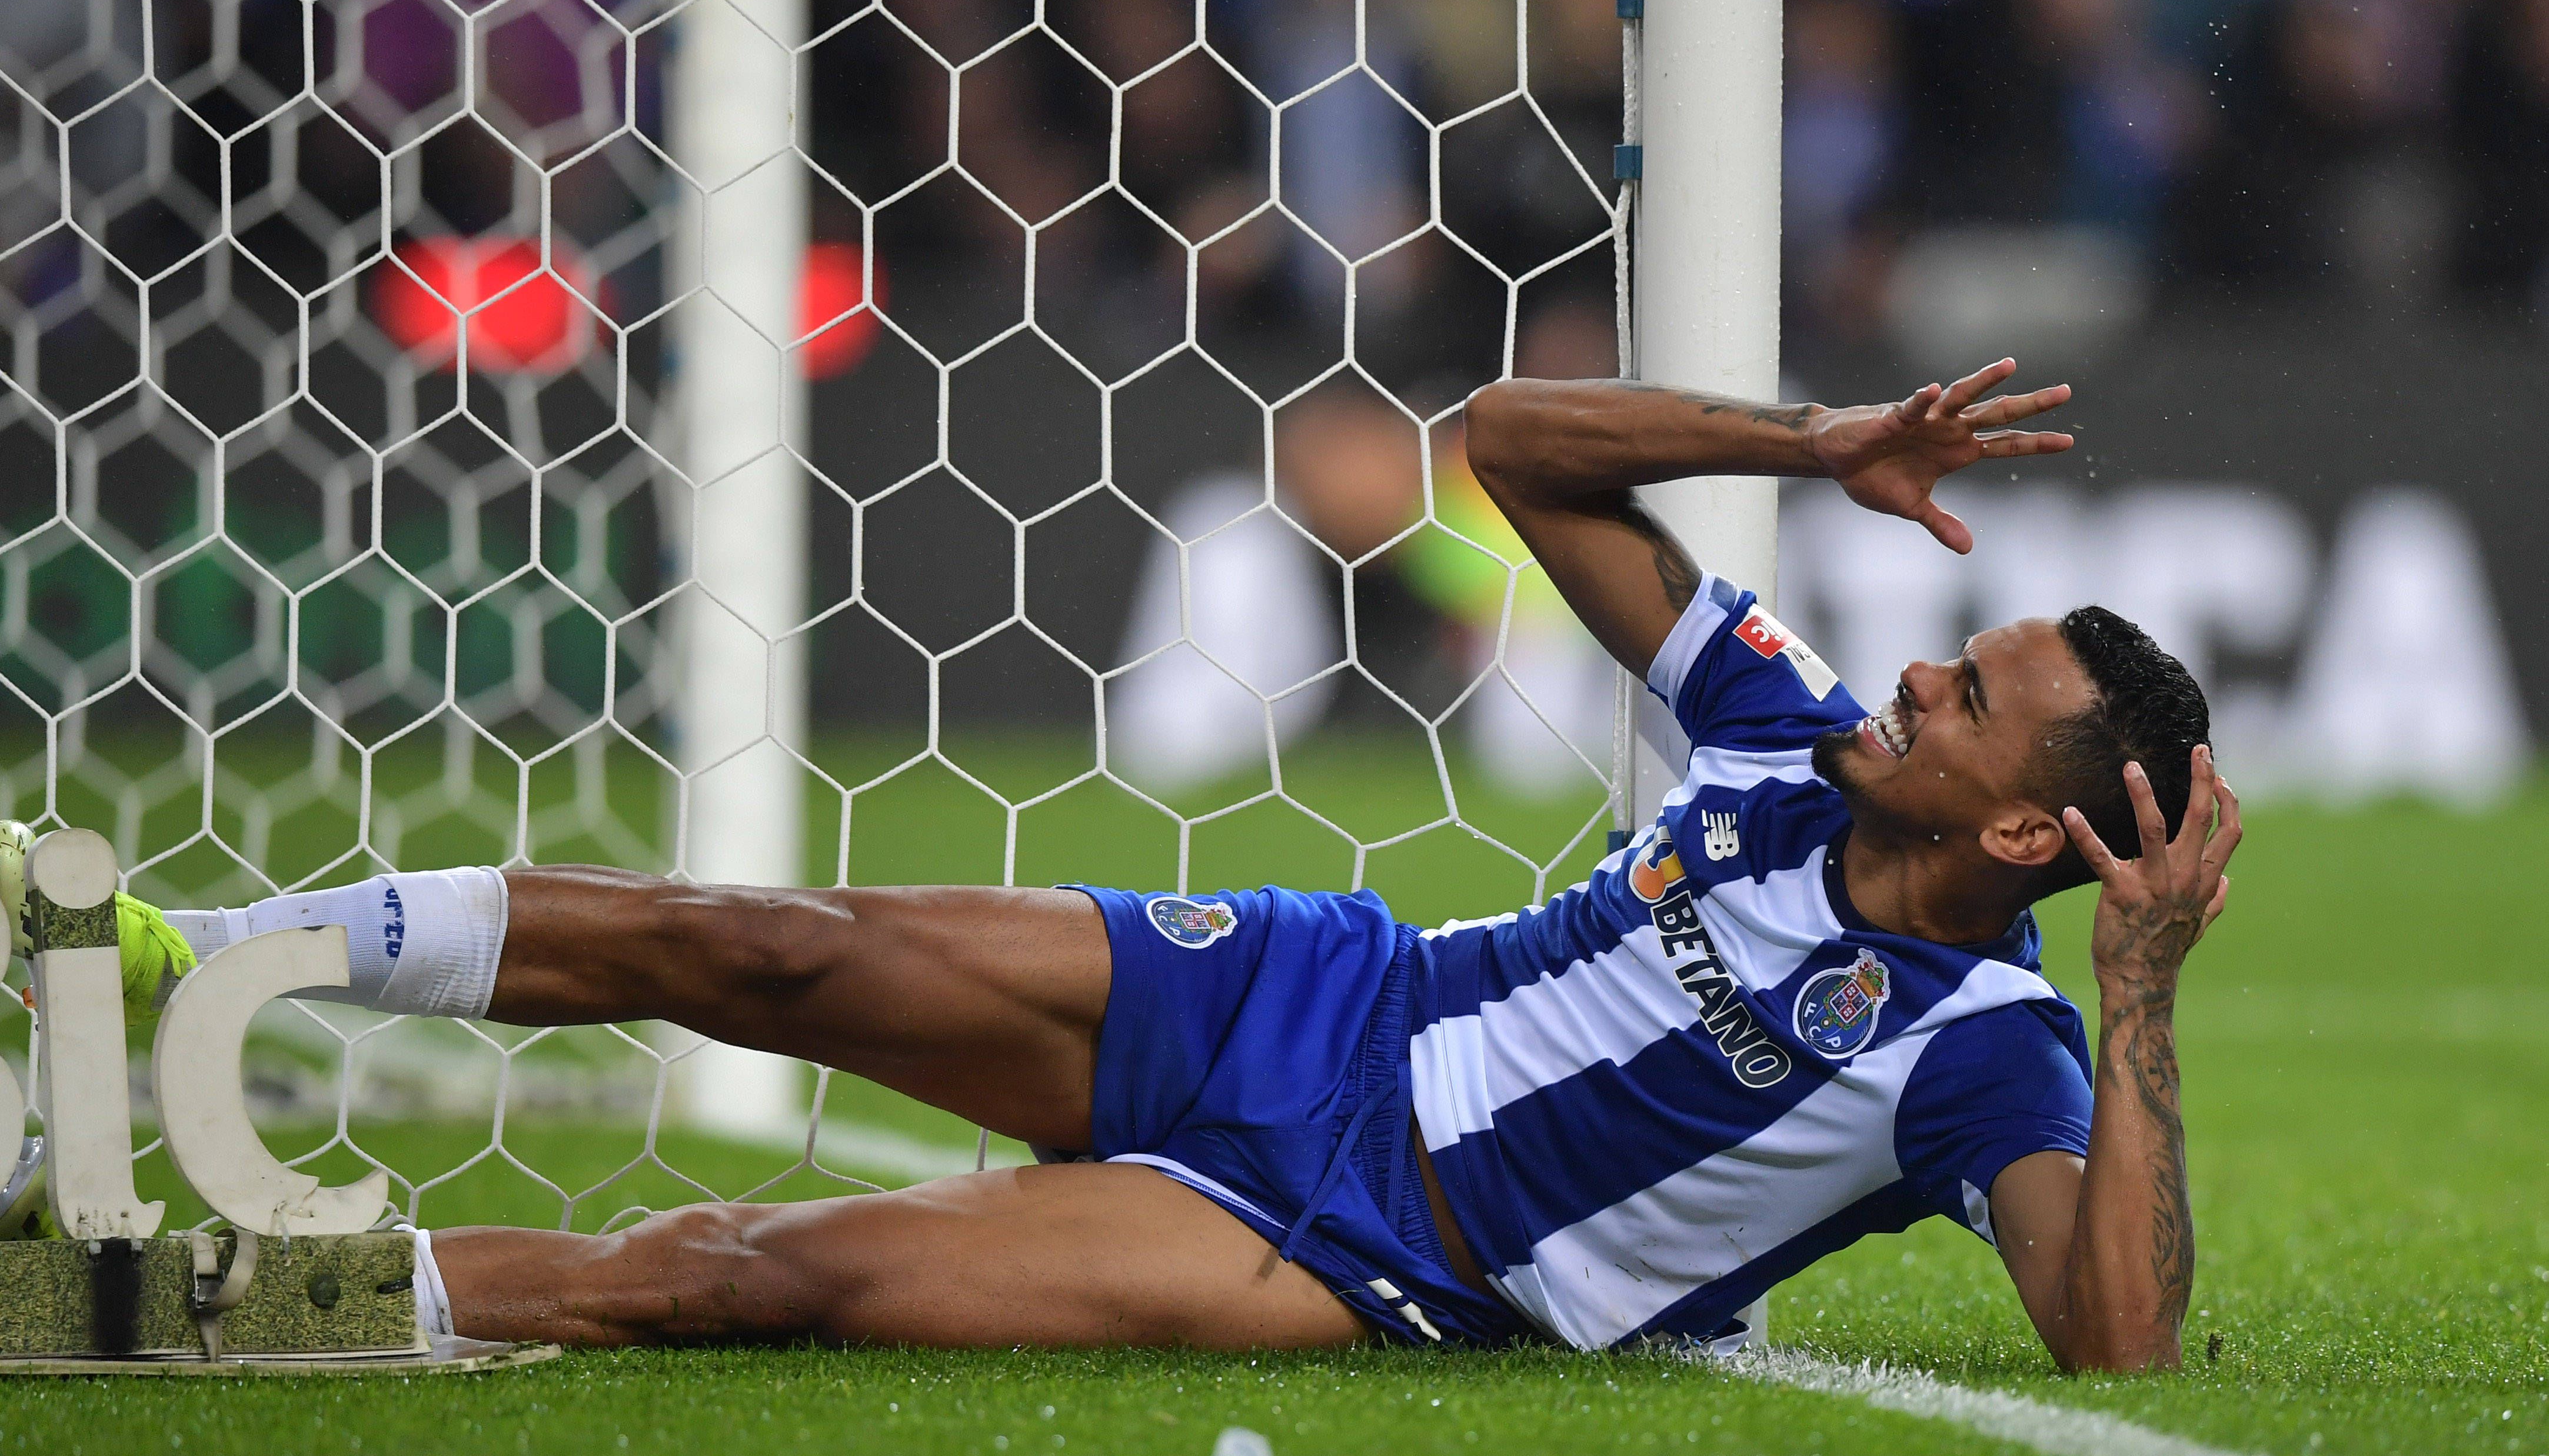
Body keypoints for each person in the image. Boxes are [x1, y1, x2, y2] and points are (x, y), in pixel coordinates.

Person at [5, 359, 2238, 1370]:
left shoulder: (1991, 1051)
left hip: (1349, 1244)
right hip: (1307, 993)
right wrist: (1815, 440)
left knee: (734, 1273)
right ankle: (171, 958)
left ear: (2034, 833)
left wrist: (2135, 996)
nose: (1916, 678)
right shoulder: (1775, 735)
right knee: (744, 938)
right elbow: (1508, 449)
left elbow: (2111, 1343)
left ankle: (162, 1312)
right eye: (1946, 649)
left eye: (1970, 697)